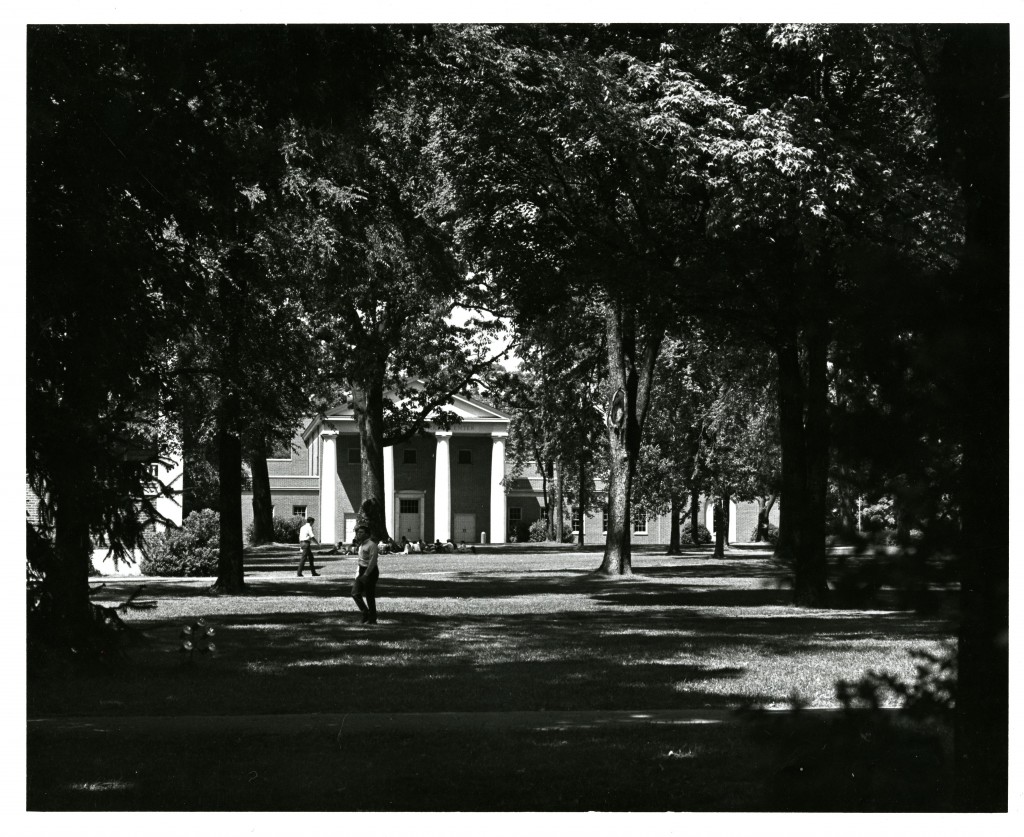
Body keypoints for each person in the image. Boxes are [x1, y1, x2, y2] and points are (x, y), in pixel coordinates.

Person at [352, 524, 380, 624]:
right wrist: (358, 573)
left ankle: (372, 619)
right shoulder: (361, 545)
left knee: (369, 595)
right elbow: (360, 560)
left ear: (367, 534)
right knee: (355, 593)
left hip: (370, 572)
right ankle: (366, 613)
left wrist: (366, 574)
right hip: (361, 570)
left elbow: (372, 561)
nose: (358, 534)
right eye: (358, 532)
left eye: (361, 533)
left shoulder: (372, 545)